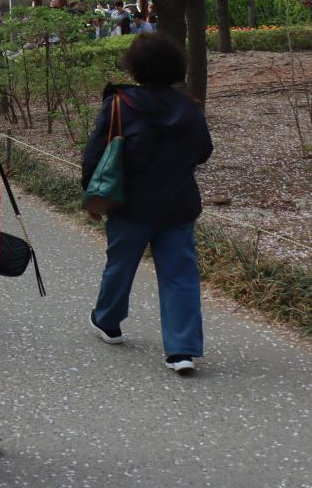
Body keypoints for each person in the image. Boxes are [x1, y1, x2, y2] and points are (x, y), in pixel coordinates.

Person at [82, 34, 213, 374]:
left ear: (134, 67)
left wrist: (91, 195)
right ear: (176, 68)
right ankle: (181, 350)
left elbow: (95, 154)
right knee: (180, 275)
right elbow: (203, 152)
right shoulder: (189, 107)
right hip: (178, 206)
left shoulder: (120, 104)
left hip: (129, 205)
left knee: (120, 265)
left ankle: (108, 322)